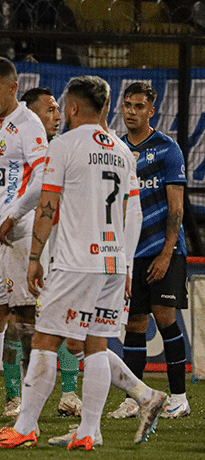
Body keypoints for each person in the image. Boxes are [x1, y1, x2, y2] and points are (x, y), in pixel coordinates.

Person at [0, 75, 165, 450]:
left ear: (75, 107)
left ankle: (26, 426)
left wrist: (34, 257)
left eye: (65, 105)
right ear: (108, 107)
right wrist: (126, 265)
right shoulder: (121, 150)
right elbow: (135, 213)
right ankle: (87, 432)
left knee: (46, 338)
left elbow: (47, 206)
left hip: (76, 262)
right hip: (113, 263)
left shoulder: (63, 146)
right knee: (95, 343)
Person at [0, 57, 49, 422]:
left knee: (28, 321)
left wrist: (14, 214)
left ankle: (29, 412)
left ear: (14, 88)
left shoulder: (28, 124)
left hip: (20, 232)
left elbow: (42, 177)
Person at [0, 87, 81, 419]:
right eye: (49, 110)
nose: (57, 115)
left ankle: (70, 394)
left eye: (58, 109)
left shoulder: (64, 149)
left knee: (63, 315)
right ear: (31, 115)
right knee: (19, 317)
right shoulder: (19, 148)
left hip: (61, 239)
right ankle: (14, 396)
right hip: (22, 236)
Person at [109, 82, 190, 419]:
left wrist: (166, 253)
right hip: (132, 251)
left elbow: (176, 209)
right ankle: (135, 398)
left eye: (139, 106)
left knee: (166, 318)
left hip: (163, 249)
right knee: (134, 324)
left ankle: (179, 397)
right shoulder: (114, 149)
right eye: (127, 105)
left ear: (151, 111)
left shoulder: (167, 149)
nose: (131, 112)